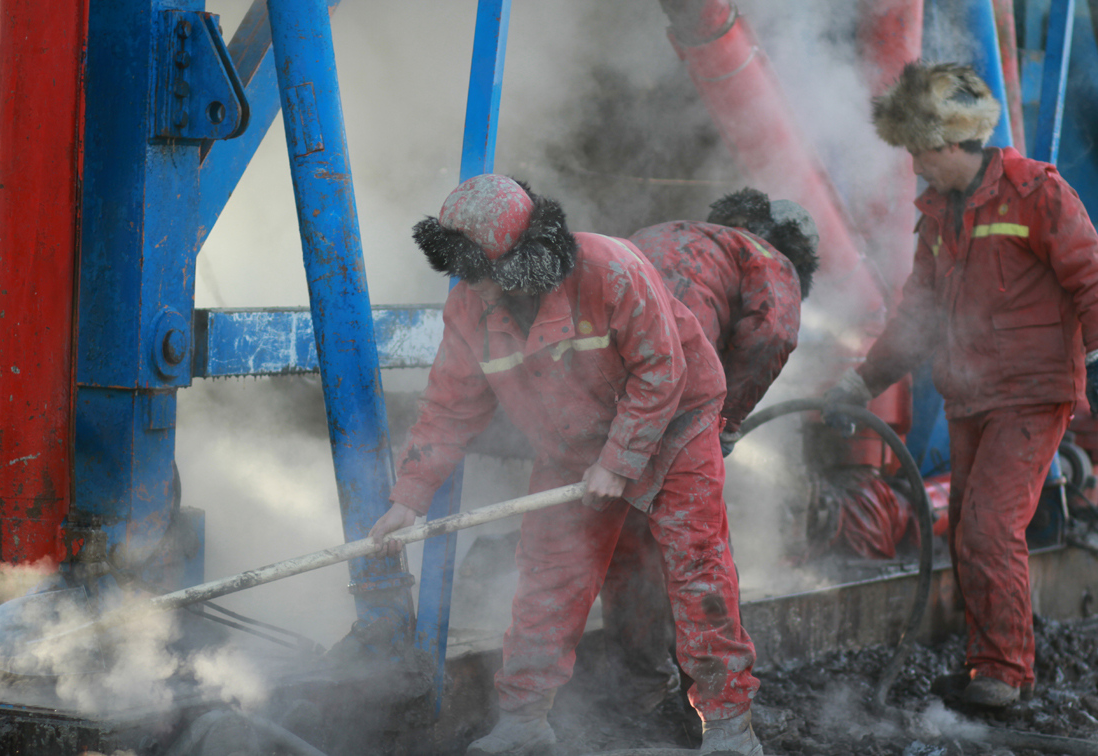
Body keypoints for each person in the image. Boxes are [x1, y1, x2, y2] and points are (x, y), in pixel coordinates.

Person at [369, 174, 765, 755]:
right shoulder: (469, 305)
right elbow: (450, 405)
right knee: (548, 576)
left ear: (519, 262)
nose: (468, 287)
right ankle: (525, 720)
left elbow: (662, 370)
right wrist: (409, 497)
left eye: (475, 272)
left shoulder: (611, 268)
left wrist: (619, 460)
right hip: (571, 445)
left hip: (674, 427)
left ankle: (730, 727)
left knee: (696, 569)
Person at [823, 61, 1098, 708]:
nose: (913, 163)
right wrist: (861, 385)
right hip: (972, 397)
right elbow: (917, 317)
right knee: (974, 529)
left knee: (988, 526)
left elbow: (1091, 276)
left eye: (918, 150)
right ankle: (995, 668)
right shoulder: (939, 218)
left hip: (1032, 394)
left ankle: (1003, 672)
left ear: (949, 143)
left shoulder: (1038, 194)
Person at [599, 189, 820, 715]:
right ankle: (714, 707)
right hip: (672, 388)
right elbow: (772, 335)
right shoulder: (771, 259)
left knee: (628, 535)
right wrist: (727, 420)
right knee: (695, 546)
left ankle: (641, 685)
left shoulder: (668, 234)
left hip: (607, 385)